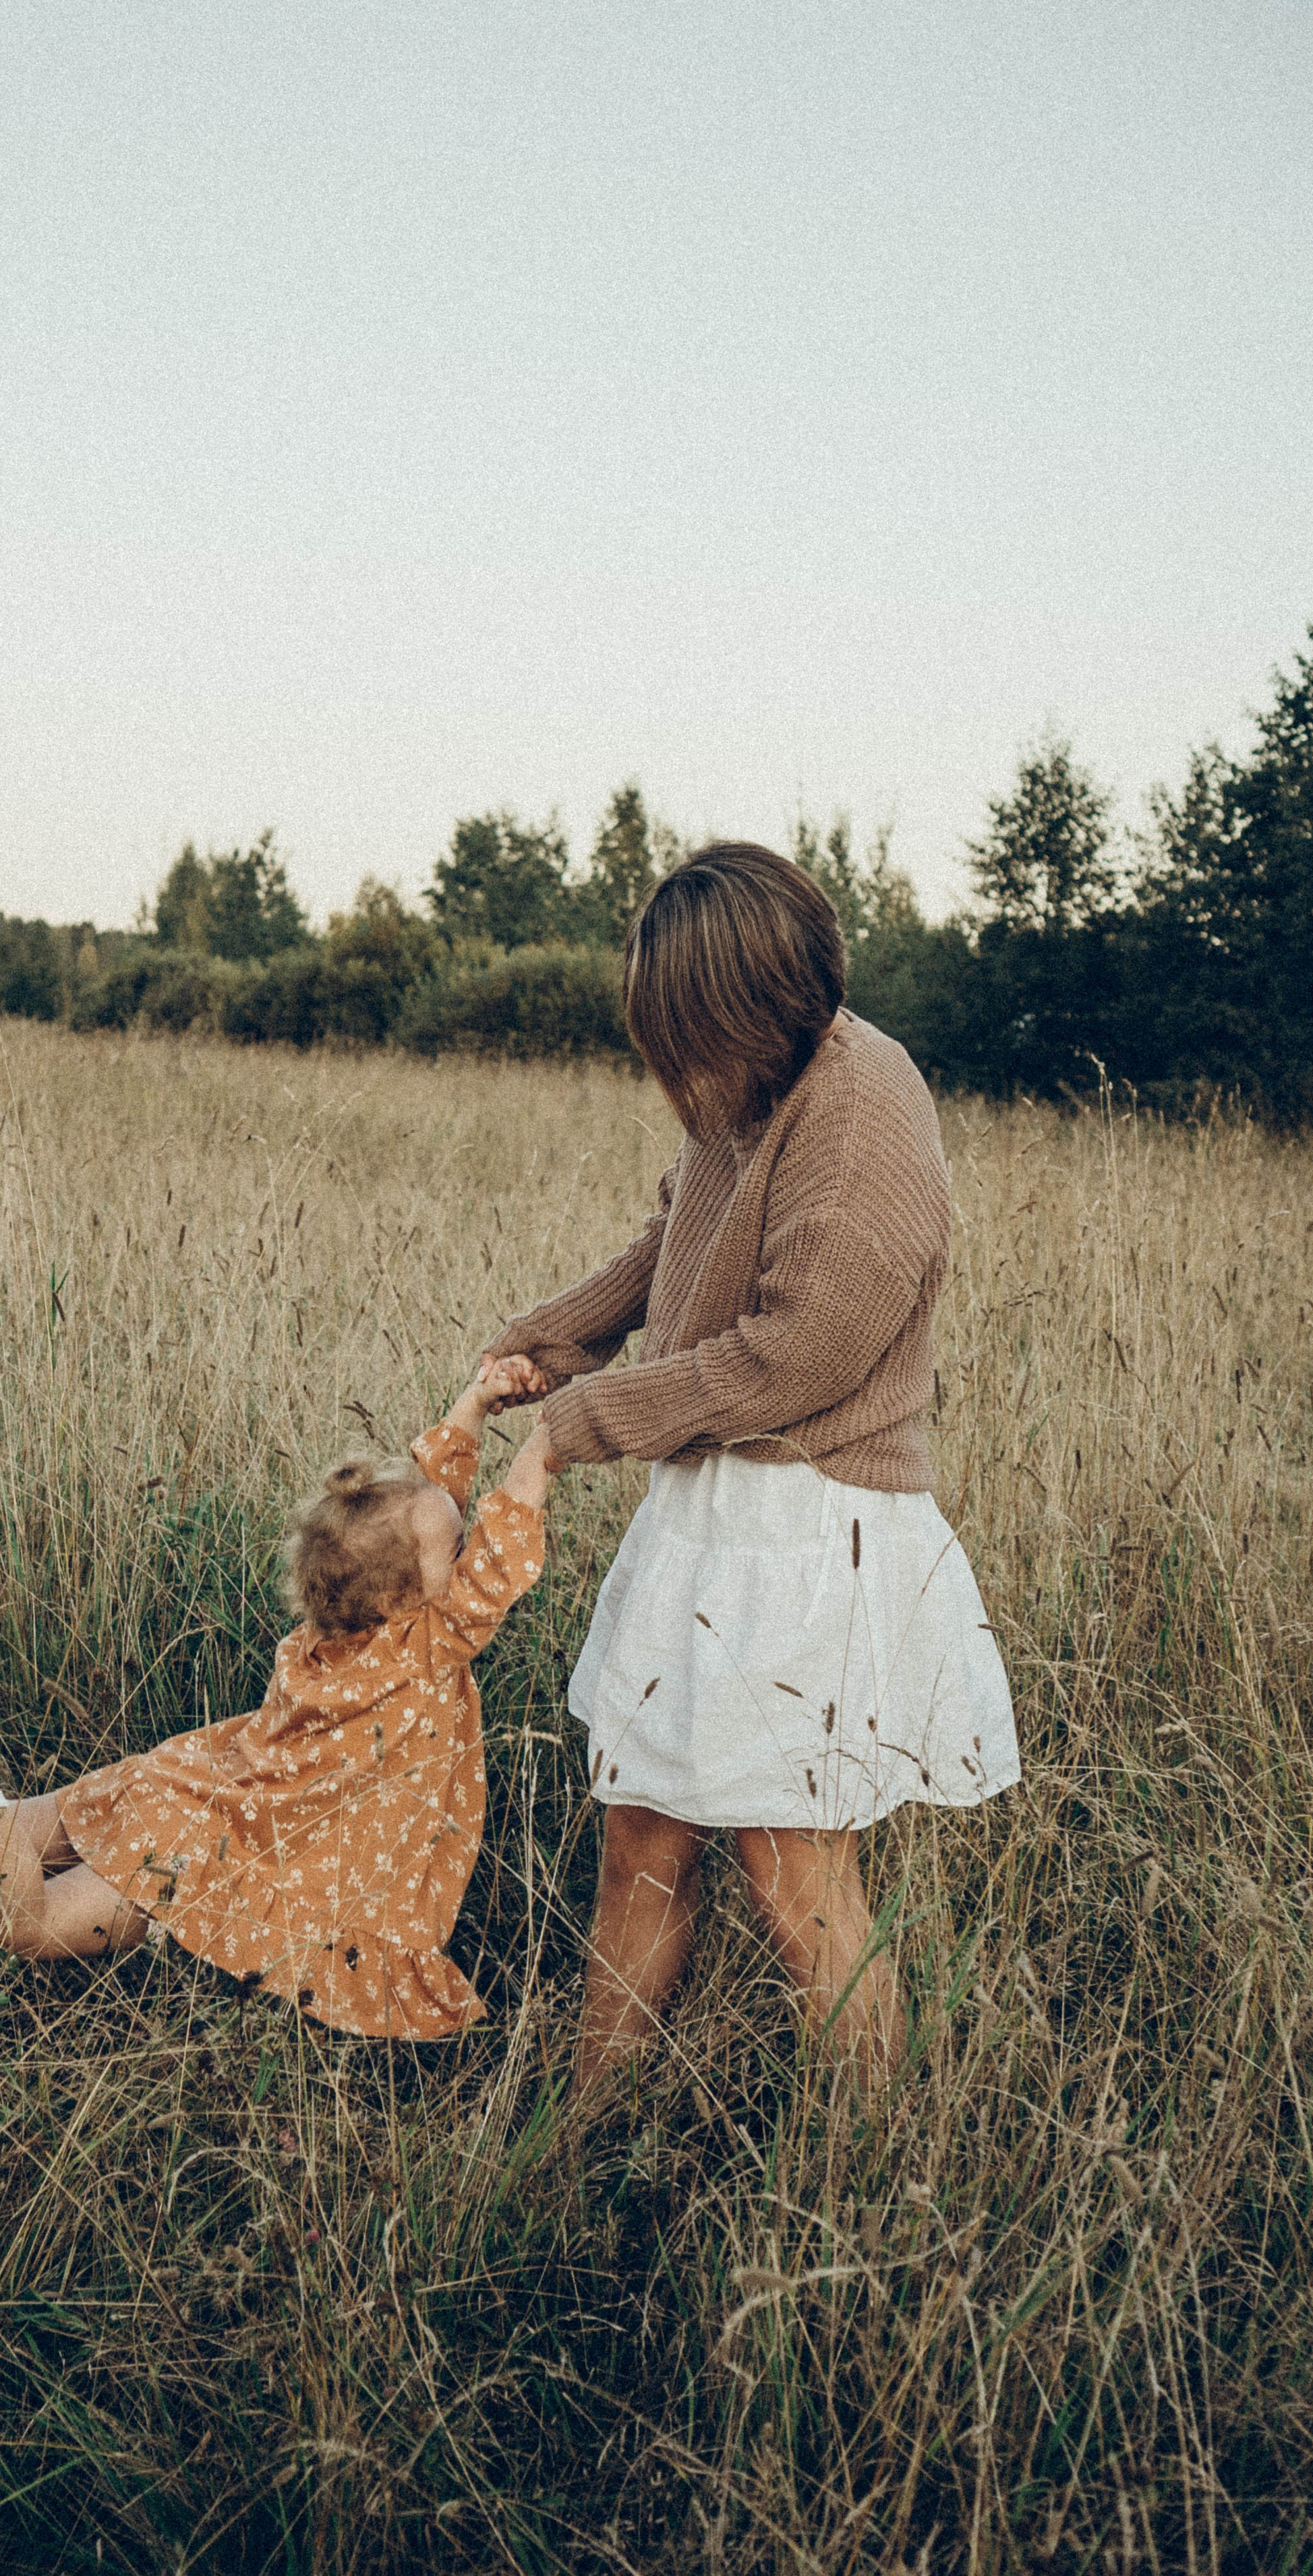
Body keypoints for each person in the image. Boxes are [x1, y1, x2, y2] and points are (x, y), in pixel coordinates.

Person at [484, 843, 1020, 2088]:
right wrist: (554, 1338)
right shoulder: (749, 1087)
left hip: (810, 1531)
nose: (677, 1075)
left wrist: (584, 1421)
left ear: (758, 1007)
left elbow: (793, 1360)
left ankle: (870, 2158)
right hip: (713, 1513)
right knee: (641, 1837)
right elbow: (676, 1234)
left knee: (795, 1878)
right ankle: (579, 2136)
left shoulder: (863, 1117)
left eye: (687, 1040)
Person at [0, 1360, 555, 2039]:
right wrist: (542, 1450)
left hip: (191, 1794)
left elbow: (429, 1510)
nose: (467, 1553)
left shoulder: (329, 1634)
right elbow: (495, 1563)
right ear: (399, 1600)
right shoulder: (420, 1651)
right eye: (456, 1553)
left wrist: (475, 1406)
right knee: (32, 1927)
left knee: (13, 1825)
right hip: (227, 1857)